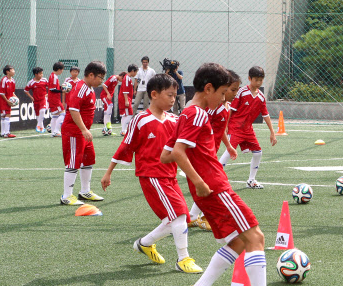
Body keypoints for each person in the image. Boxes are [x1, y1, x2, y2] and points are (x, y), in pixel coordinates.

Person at [165, 63, 294, 286]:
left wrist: (199, 161)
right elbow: (177, 153)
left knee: (238, 242)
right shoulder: (198, 113)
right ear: (209, 88)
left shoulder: (187, 113)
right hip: (214, 186)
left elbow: (166, 153)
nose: (225, 99)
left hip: (208, 186)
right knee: (256, 236)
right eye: (223, 93)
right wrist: (200, 179)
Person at [101, 74, 202, 274]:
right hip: (152, 176)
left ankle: (145, 243)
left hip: (170, 176)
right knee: (180, 214)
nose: (173, 99)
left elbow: (183, 148)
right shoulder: (140, 119)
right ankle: (183, 259)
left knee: (174, 218)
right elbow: (125, 146)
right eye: (170, 95)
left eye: (175, 95)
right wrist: (108, 173)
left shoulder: (174, 119)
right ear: (154, 94)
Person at [187, 69, 240, 230]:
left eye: (237, 90)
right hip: (204, 153)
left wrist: (229, 146)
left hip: (212, 151)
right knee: (214, 184)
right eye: (231, 90)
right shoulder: (211, 108)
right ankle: (204, 216)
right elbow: (202, 126)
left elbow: (222, 130)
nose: (234, 94)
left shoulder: (227, 108)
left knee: (211, 184)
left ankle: (193, 216)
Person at [218, 66, 277, 189]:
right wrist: (226, 126)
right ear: (250, 79)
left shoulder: (261, 97)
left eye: (261, 80)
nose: (259, 83)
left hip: (248, 129)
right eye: (256, 80)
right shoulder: (241, 92)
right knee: (229, 151)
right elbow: (231, 110)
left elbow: (265, 114)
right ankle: (215, 178)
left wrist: (272, 132)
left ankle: (251, 180)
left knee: (258, 153)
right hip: (235, 127)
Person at [59, 61, 106, 206]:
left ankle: (85, 191)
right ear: (91, 75)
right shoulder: (80, 88)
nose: (101, 81)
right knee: (73, 162)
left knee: (88, 159)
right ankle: (67, 196)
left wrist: (85, 130)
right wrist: (84, 129)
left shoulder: (89, 88)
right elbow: (73, 110)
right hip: (74, 132)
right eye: (100, 77)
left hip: (83, 132)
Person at [24, 67, 49, 133]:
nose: (42, 75)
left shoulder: (44, 80)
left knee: (42, 111)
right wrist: (31, 97)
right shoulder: (31, 82)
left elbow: (50, 87)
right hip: (36, 100)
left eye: (42, 73)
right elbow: (25, 90)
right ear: (36, 74)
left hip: (43, 99)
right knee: (38, 114)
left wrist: (48, 94)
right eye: (40, 74)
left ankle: (38, 125)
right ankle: (42, 127)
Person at [47, 62, 65, 137]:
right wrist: (62, 91)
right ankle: (56, 131)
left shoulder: (53, 76)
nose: (62, 71)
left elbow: (54, 88)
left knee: (55, 115)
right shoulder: (54, 76)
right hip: (55, 99)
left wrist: (61, 88)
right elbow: (52, 89)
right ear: (59, 69)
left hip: (52, 98)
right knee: (63, 113)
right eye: (62, 70)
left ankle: (53, 132)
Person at [119, 64, 138, 136]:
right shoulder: (127, 78)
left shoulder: (127, 78)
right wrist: (126, 100)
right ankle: (123, 130)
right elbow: (125, 90)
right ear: (132, 71)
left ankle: (124, 130)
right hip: (125, 99)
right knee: (129, 114)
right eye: (135, 72)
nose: (136, 74)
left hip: (126, 98)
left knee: (125, 114)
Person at [0, 65, 17, 138]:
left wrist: (15, 97)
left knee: (3, 116)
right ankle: (7, 133)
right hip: (3, 101)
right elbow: (1, 93)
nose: (14, 71)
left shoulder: (13, 81)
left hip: (9, 100)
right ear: (7, 72)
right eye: (12, 70)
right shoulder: (4, 80)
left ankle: (3, 133)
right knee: (7, 115)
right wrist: (7, 101)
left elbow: (12, 92)